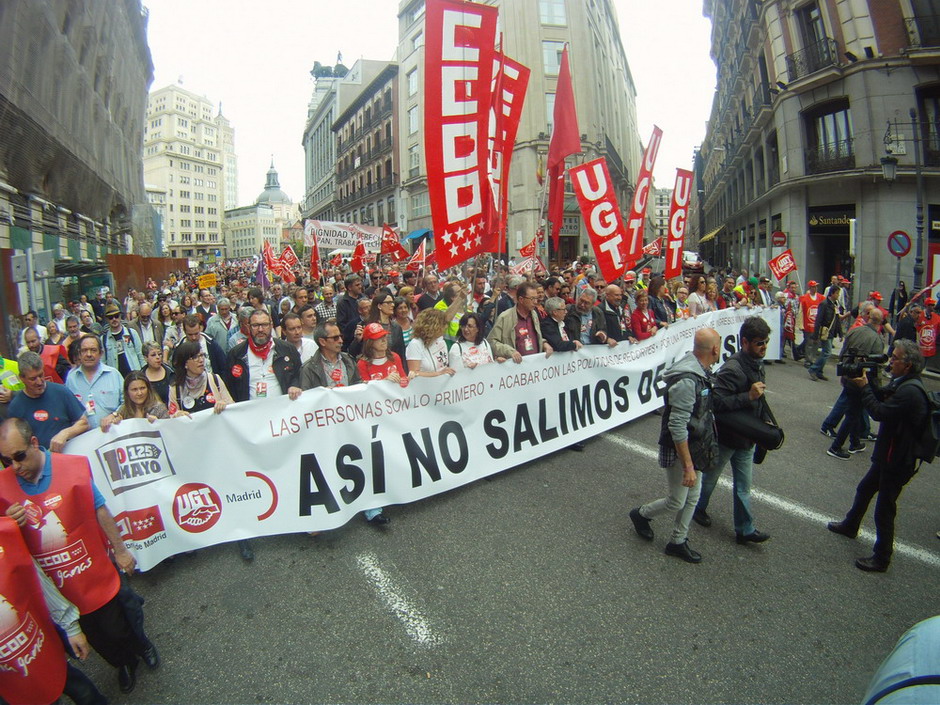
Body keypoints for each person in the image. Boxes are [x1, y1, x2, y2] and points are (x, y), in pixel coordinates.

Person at [0, 417, 159, 694]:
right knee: (97, 638)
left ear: (34, 443)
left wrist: (121, 551)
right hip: (58, 590)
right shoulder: (4, 487)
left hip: (94, 573)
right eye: (6, 461)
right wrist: (6, 521)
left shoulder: (70, 468)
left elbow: (100, 509)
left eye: (19, 457)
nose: (15, 467)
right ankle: (122, 663)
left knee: (121, 622)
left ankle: (141, 644)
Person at [827, 339, 929, 572]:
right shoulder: (904, 382)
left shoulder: (911, 391)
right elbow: (883, 394)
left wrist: (864, 386)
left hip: (898, 460)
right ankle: (851, 525)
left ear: (908, 364)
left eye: (895, 358)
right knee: (865, 489)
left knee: (885, 507)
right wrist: (867, 375)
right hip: (889, 455)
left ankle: (882, 557)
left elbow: (879, 412)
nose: (891, 360)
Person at [629, 328, 721, 563]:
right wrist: (688, 466)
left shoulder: (701, 372)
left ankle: (678, 541)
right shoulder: (687, 381)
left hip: (696, 445)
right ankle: (641, 514)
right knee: (677, 500)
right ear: (714, 349)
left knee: (693, 496)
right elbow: (677, 427)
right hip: (683, 449)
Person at [0, 514, 108, 705]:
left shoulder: (4, 534)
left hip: (37, 646)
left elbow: (37, 582)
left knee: (82, 692)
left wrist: (71, 626)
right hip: (8, 680)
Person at [694, 316, 772, 546]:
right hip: (728, 437)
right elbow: (715, 402)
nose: (764, 347)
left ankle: (745, 529)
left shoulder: (757, 364)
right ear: (745, 342)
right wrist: (747, 396)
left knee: (743, 487)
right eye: (759, 343)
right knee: (709, 478)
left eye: (766, 341)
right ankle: (697, 508)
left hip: (746, 438)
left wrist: (763, 421)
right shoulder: (733, 369)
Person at [826, 308, 886, 460]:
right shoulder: (876, 339)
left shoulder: (854, 330)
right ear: (880, 322)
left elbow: (843, 353)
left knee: (856, 411)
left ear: (868, 317)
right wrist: (876, 388)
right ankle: (836, 446)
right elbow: (875, 367)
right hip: (860, 379)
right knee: (853, 413)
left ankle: (855, 442)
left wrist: (843, 372)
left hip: (848, 374)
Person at [8, 351, 89, 450]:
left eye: (41, 375)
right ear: (22, 378)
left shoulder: (61, 392)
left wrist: (65, 433)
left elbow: (84, 423)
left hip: (68, 455)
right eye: (33, 379)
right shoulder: (16, 406)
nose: (39, 382)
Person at [65, 335, 124, 430]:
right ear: (79, 353)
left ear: (101, 353)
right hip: (84, 437)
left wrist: (114, 414)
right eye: (84, 350)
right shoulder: (71, 379)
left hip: (112, 434)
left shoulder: (114, 374)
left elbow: (126, 402)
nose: (89, 354)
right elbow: (67, 410)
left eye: (93, 350)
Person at [488, 282, 553, 363]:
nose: (536, 302)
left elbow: (534, 337)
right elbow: (492, 342)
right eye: (532, 299)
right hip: (515, 368)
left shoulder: (534, 314)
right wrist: (510, 351)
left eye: (536, 298)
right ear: (521, 299)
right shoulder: (505, 317)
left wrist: (544, 343)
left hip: (534, 366)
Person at [100, 371, 177, 432]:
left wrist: (158, 424)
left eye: (142, 388)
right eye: (134, 389)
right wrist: (115, 424)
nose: (139, 393)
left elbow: (169, 433)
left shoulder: (159, 408)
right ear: (127, 392)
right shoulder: (123, 410)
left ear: (148, 389)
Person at [300, 320, 363, 390]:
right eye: (335, 338)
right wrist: (322, 393)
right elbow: (306, 396)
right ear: (322, 342)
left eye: (341, 336)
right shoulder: (309, 368)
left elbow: (358, 384)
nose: (340, 341)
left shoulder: (349, 360)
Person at [406, 309, 456, 378]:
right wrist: (439, 373)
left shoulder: (441, 340)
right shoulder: (415, 344)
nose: (446, 327)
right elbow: (414, 373)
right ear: (434, 326)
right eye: (443, 324)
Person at [100, 303, 145, 378]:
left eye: (116, 316)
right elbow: (103, 362)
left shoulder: (132, 333)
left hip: (135, 376)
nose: (114, 319)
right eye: (111, 317)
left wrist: (143, 374)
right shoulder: (103, 339)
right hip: (115, 379)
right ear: (107, 319)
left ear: (120, 316)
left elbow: (140, 355)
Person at [808, 285, 842, 381]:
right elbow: (818, 320)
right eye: (837, 293)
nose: (838, 295)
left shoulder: (835, 304)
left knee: (825, 352)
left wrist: (840, 333)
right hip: (824, 331)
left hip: (831, 332)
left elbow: (837, 319)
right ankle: (813, 369)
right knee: (827, 352)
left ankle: (819, 371)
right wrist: (815, 335)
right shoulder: (824, 304)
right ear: (832, 293)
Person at [798, 280, 824, 367]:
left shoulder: (821, 298)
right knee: (809, 343)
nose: (815, 288)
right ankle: (808, 360)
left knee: (816, 343)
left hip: (817, 326)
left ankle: (813, 358)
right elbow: (801, 312)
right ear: (810, 288)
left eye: (816, 286)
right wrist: (800, 324)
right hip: (808, 325)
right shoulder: (804, 298)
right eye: (813, 287)